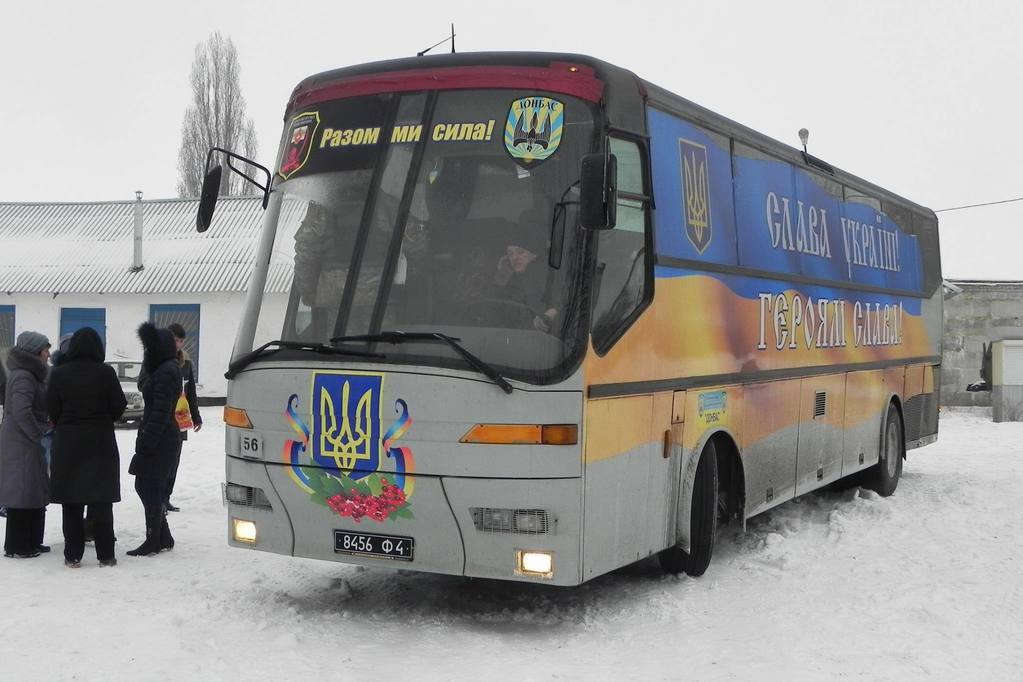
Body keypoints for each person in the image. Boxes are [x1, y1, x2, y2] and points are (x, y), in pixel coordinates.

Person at [47, 328, 126, 567]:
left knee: (71, 502)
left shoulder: (59, 374)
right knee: (101, 500)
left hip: (68, 443)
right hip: (100, 441)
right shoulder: (106, 373)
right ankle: (106, 555)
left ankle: (72, 555)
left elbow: (51, 408)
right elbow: (119, 406)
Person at [126, 323, 180, 557]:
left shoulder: (166, 371)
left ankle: (154, 538)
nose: (147, 352)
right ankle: (163, 536)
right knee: (149, 485)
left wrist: (147, 440)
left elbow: (159, 410)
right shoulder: (165, 368)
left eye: (150, 348)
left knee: (148, 485)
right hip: (161, 434)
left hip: (160, 436)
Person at [0, 331, 51, 559]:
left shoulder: (31, 374)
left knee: (33, 490)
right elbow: (21, 410)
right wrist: (38, 432)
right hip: (21, 441)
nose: (48, 353)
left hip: (27, 440)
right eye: (44, 349)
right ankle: (18, 545)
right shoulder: (23, 375)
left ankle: (32, 540)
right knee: (22, 491)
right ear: (34, 351)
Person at [164, 323, 202, 512]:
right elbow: (143, 384)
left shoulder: (186, 363)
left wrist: (196, 416)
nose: (177, 344)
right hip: (161, 417)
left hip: (180, 418)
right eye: (174, 340)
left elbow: (191, 392)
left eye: (180, 341)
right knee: (161, 460)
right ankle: (158, 497)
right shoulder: (156, 359)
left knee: (174, 460)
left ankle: (166, 496)